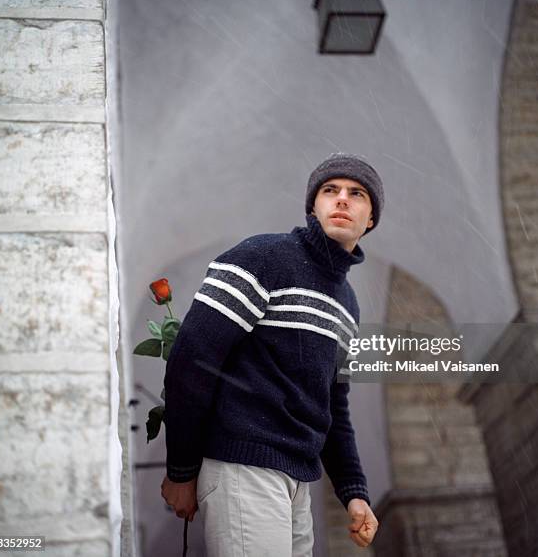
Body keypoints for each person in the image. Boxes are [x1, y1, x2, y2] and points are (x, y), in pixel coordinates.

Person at [161, 153, 383, 555]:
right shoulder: (263, 258)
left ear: (370, 219)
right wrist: (181, 470)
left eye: (357, 194)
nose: (342, 200)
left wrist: (354, 492)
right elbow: (191, 362)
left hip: (298, 484)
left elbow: (334, 408)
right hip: (243, 468)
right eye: (330, 191)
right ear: (313, 208)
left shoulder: (348, 305)